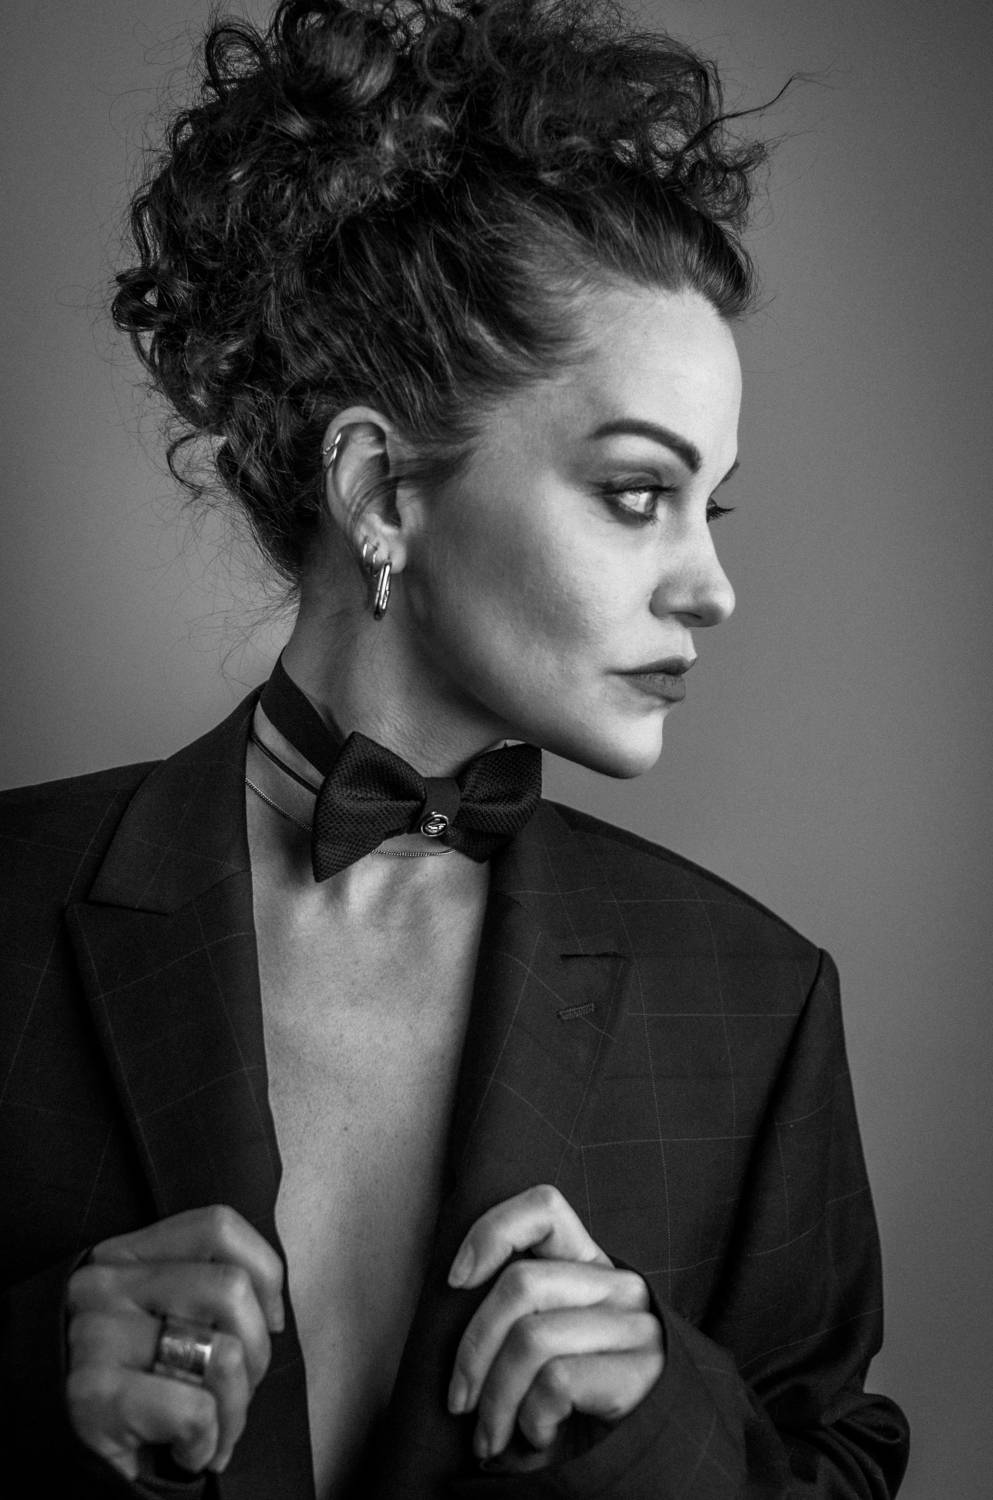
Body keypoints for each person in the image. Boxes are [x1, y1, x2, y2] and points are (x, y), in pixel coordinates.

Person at [0, 0, 910, 1495]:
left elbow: (840, 1461)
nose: (712, 587)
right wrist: (32, 1379)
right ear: (380, 489)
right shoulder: (6, 908)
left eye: (713, 505)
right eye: (638, 494)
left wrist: (656, 1414)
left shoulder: (755, 1001)